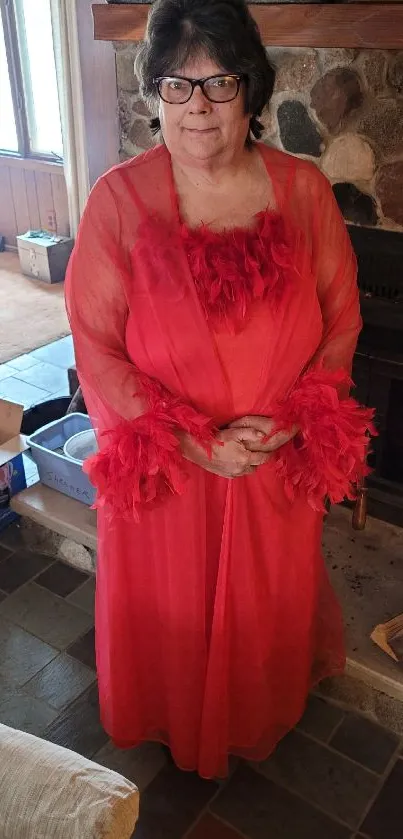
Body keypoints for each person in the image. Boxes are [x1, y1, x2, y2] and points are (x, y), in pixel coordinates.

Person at [66, 0, 374, 779]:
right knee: (173, 607)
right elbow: (97, 348)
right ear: (153, 96)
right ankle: (178, 718)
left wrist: (304, 417)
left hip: (275, 466)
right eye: (177, 84)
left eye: (220, 83)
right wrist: (188, 441)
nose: (197, 106)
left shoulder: (303, 192)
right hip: (168, 475)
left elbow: (340, 320)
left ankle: (250, 711)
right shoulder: (117, 201)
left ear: (253, 92)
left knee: (263, 606)